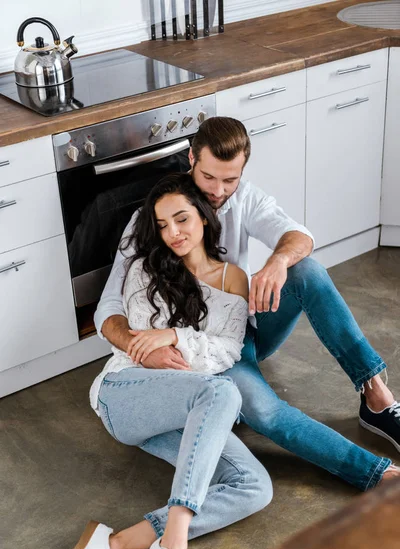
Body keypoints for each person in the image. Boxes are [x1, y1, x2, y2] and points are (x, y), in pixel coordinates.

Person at [95, 116, 400, 491]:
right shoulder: (153, 221)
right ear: (191, 158)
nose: (220, 190)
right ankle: (371, 471)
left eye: (230, 179)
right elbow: (109, 308)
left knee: (308, 272)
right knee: (267, 412)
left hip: (238, 331)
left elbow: (299, 236)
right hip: (191, 352)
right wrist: (141, 349)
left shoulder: (244, 200)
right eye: (209, 178)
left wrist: (277, 262)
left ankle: (376, 396)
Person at [57, 174, 273, 549]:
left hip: (188, 406)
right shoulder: (144, 268)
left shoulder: (234, 279)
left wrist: (175, 336)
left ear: (205, 218)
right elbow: (141, 338)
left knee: (254, 486)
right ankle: (174, 545)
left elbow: (227, 351)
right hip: (124, 394)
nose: (173, 233)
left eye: (181, 219)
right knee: (222, 392)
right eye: (162, 225)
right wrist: (175, 343)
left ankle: (115, 544)